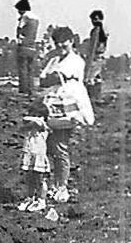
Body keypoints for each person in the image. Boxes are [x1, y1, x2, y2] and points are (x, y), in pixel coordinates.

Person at [39, 25, 93, 204]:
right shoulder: (54, 60)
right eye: (57, 42)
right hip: (53, 105)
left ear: (71, 41)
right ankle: (54, 184)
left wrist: (54, 78)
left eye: (64, 42)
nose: (61, 45)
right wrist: (52, 78)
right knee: (49, 145)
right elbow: (43, 80)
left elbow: (62, 79)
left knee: (59, 145)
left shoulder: (76, 61)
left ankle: (62, 187)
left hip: (68, 106)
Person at [15, 0, 41, 96]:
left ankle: (23, 90)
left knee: (22, 68)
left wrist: (19, 37)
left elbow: (19, 29)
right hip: (32, 45)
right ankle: (31, 89)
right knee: (31, 69)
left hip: (24, 45)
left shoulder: (24, 17)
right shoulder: (36, 19)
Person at [84, 10, 108, 101]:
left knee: (91, 78)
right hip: (100, 57)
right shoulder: (103, 30)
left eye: (96, 19)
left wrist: (90, 59)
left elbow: (93, 46)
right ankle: (96, 97)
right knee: (96, 77)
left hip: (95, 57)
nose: (94, 21)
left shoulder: (96, 31)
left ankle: (93, 97)